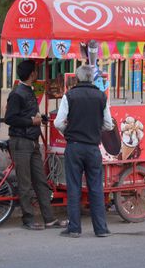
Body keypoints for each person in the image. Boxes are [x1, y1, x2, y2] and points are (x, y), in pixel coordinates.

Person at [4, 59, 67, 230]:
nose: (37, 73)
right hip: (21, 142)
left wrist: (41, 119)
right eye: (36, 71)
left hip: (32, 142)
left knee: (40, 181)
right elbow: (9, 118)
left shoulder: (29, 91)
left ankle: (49, 218)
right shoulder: (17, 93)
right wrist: (31, 121)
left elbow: (31, 114)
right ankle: (28, 220)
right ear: (32, 73)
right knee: (25, 183)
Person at [54, 65, 113, 238]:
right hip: (93, 148)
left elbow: (58, 123)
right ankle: (101, 229)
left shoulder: (70, 95)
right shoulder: (101, 96)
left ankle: (74, 229)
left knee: (74, 187)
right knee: (96, 188)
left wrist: (69, 130)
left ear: (77, 78)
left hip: (74, 146)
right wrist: (94, 129)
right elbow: (108, 125)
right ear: (92, 79)